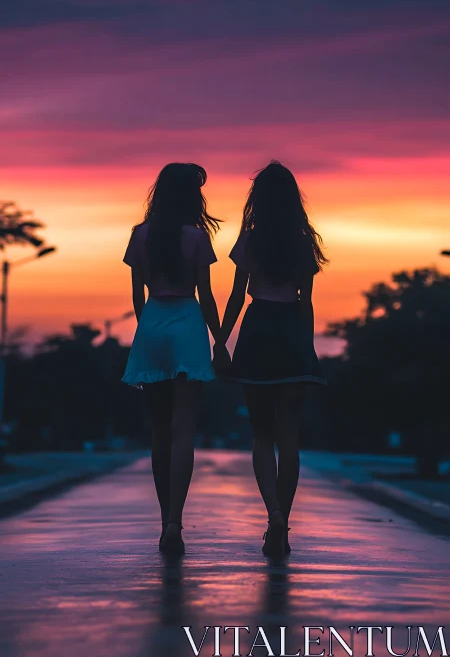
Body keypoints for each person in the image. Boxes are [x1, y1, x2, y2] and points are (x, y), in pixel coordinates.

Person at [218, 161, 328, 559]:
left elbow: (235, 297)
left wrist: (221, 341)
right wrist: (307, 347)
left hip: (258, 328)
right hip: (291, 332)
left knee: (262, 436)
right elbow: (307, 303)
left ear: (257, 200)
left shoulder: (248, 240)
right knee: (289, 437)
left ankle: (275, 516)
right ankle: (284, 520)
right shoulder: (302, 242)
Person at [122, 163, 230, 555]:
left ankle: (163, 515)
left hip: (152, 322)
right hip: (187, 323)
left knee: (158, 430)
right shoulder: (197, 237)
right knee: (184, 429)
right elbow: (207, 295)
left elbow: (137, 295)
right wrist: (219, 341)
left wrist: (146, 327)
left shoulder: (141, 235)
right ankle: (174, 523)